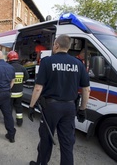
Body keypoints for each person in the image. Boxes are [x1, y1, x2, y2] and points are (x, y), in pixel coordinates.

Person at [28, 34, 90, 165]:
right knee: (67, 143)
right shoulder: (79, 64)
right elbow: (86, 89)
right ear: (68, 47)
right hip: (69, 108)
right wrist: (83, 109)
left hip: (50, 108)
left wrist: (31, 106)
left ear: (56, 45)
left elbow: (38, 88)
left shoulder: (47, 61)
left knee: (46, 139)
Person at [7, 51, 29, 126]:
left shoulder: (8, 68)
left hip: (10, 93)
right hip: (19, 93)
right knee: (19, 107)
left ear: (9, 58)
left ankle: (9, 122)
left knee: (9, 108)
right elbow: (27, 77)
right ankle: (19, 122)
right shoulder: (22, 68)